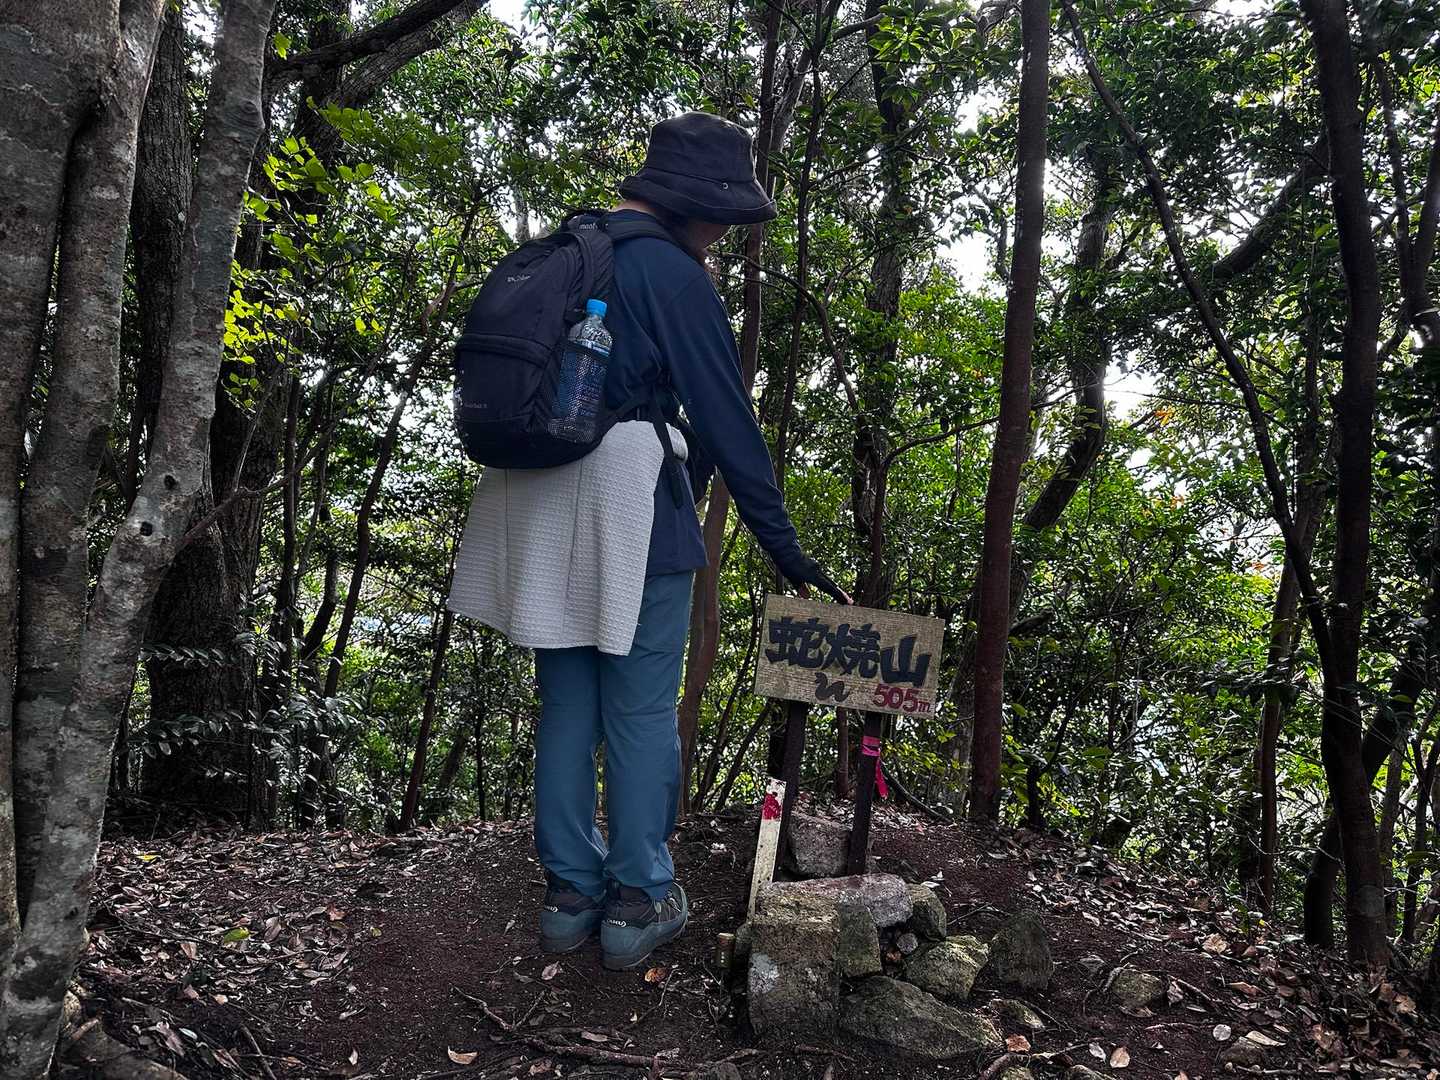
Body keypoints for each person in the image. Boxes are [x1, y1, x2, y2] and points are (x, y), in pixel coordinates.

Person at [448, 111, 848, 971]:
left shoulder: (571, 248)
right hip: (634, 515)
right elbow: (728, 422)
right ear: (693, 205)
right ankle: (637, 901)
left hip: (537, 509)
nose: (725, 233)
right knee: (638, 711)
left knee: (567, 707)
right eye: (723, 216)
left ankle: (568, 898)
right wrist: (785, 547)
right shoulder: (672, 274)